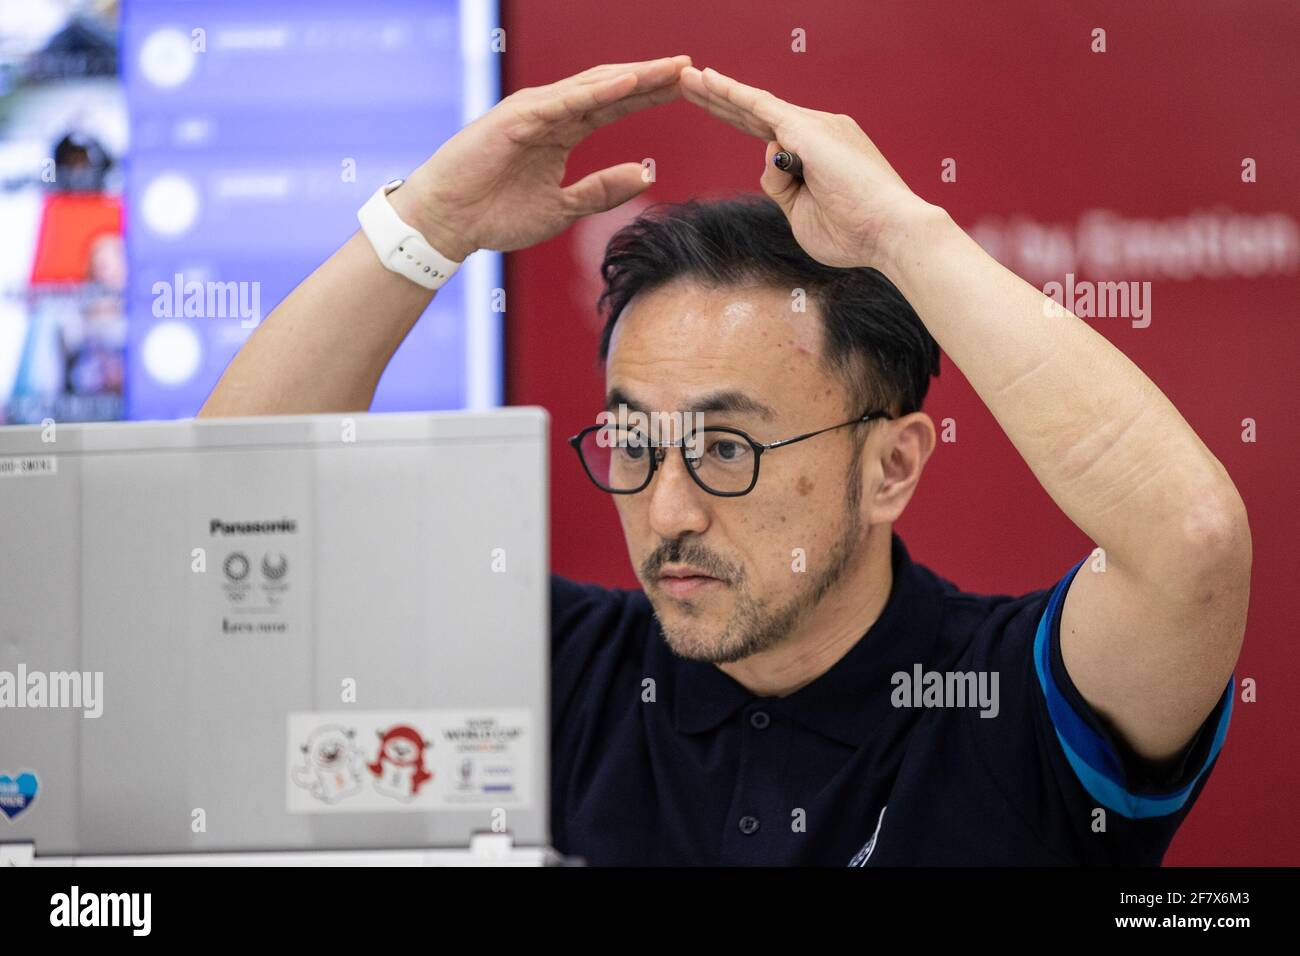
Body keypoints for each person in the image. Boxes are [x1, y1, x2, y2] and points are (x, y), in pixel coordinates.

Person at [199, 56, 1250, 865]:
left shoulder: (1006, 698)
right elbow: (237, 508)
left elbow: (1190, 542)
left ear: (892, 464)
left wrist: (900, 235)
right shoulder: (559, 672)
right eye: (633, 440)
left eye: (726, 447)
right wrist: (424, 222)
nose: (666, 512)